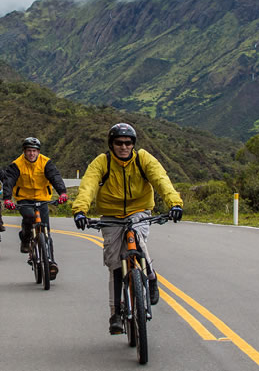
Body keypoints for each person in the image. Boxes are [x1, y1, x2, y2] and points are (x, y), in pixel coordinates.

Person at [72, 123, 183, 335]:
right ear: (111, 145)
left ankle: (150, 276)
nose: (124, 147)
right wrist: (80, 210)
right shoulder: (102, 162)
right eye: (119, 143)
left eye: (128, 143)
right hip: (111, 216)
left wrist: (175, 203)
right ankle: (115, 313)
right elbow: (89, 185)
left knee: (139, 240)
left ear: (133, 144)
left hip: (139, 210)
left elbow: (161, 180)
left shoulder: (143, 159)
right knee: (114, 264)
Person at [2, 137, 67, 279]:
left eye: (34, 151)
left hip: (42, 199)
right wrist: (7, 198)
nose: (31, 154)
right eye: (29, 151)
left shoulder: (46, 163)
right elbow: (9, 181)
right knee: (29, 217)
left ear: (38, 152)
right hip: (24, 199)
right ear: (24, 151)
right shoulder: (16, 165)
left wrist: (62, 192)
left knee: (46, 232)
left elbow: (55, 177)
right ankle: (25, 238)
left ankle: (50, 262)